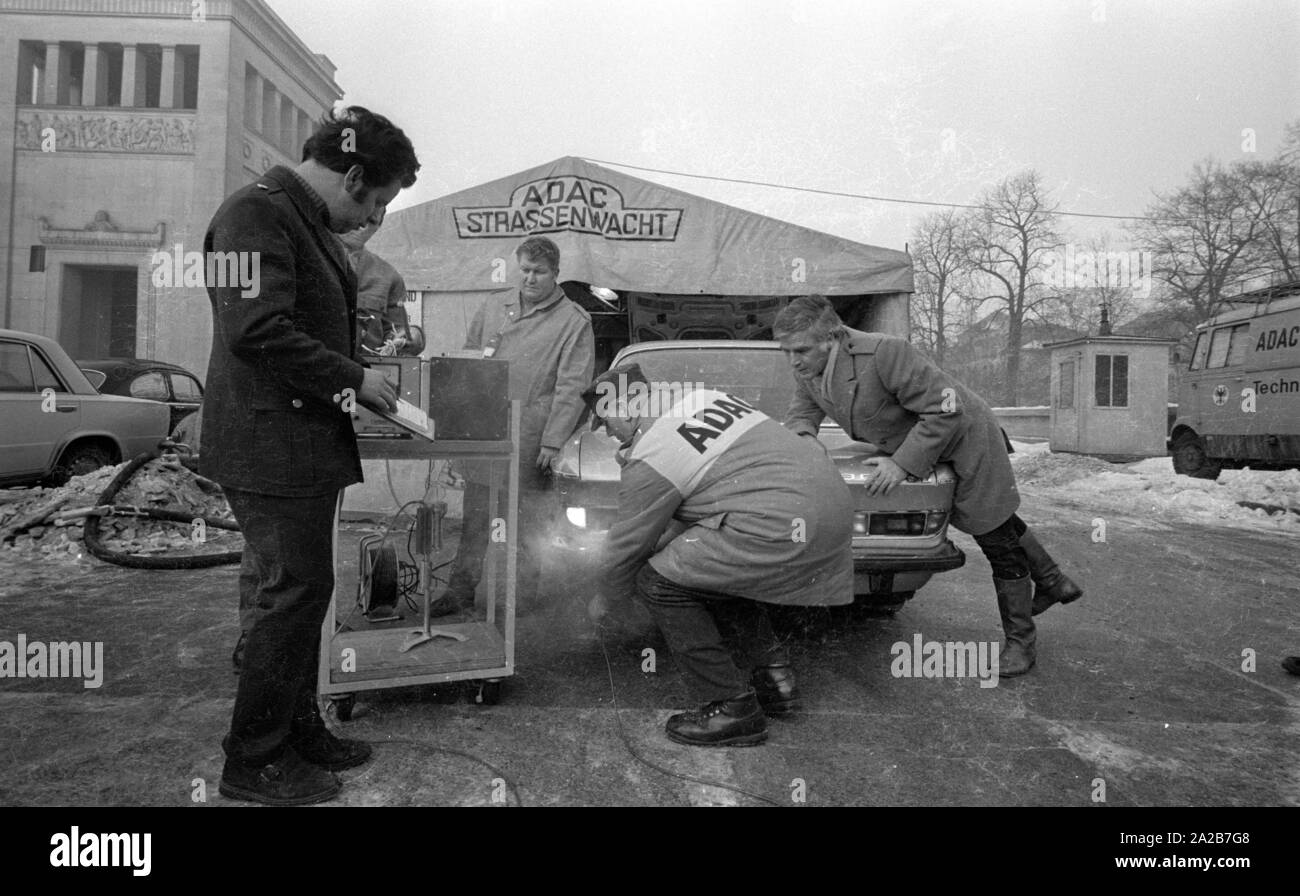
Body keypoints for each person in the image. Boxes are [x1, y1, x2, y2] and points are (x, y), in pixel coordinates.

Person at [202, 106, 419, 805]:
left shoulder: (299, 221)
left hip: (296, 447)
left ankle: (296, 732)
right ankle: (254, 761)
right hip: (270, 446)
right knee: (289, 595)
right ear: (354, 174)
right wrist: (355, 379)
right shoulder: (255, 215)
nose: (370, 221)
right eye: (376, 202)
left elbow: (300, 326)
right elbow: (257, 329)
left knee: (304, 594)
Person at [773, 294, 1082, 678]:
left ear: (834, 337)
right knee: (996, 521)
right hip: (927, 441)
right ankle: (1052, 581)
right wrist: (804, 439)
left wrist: (902, 463)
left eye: (800, 350)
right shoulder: (808, 365)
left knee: (994, 535)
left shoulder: (886, 353)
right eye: (785, 351)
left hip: (966, 438)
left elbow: (946, 408)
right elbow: (803, 410)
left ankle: (1021, 643)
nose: (794, 360)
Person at [587, 362, 855, 746]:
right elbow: (699, 504)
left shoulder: (652, 450)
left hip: (775, 522)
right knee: (710, 575)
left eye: (606, 422)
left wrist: (608, 597)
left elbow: (627, 545)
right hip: (830, 509)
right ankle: (776, 682)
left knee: (658, 583)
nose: (610, 434)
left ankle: (731, 707)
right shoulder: (705, 399)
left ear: (627, 405)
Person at [433, 236, 594, 615]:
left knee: (526, 523)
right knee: (476, 518)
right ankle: (459, 591)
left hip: (533, 436)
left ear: (556, 273)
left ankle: (519, 599)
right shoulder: (494, 306)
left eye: (539, 272)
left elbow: (572, 387)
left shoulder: (573, 322)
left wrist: (553, 442)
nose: (530, 279)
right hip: (486, 429)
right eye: (524, 270)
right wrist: (460, 429)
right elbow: (468, 363)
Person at [338, 210, 412, 356]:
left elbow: (396, 331)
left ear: (378, 227)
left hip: (367, 371)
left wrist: (401, 339)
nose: (363, 226)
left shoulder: (389, 276)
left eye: (371, 221)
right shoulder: (308, 259)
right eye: (357, 215)